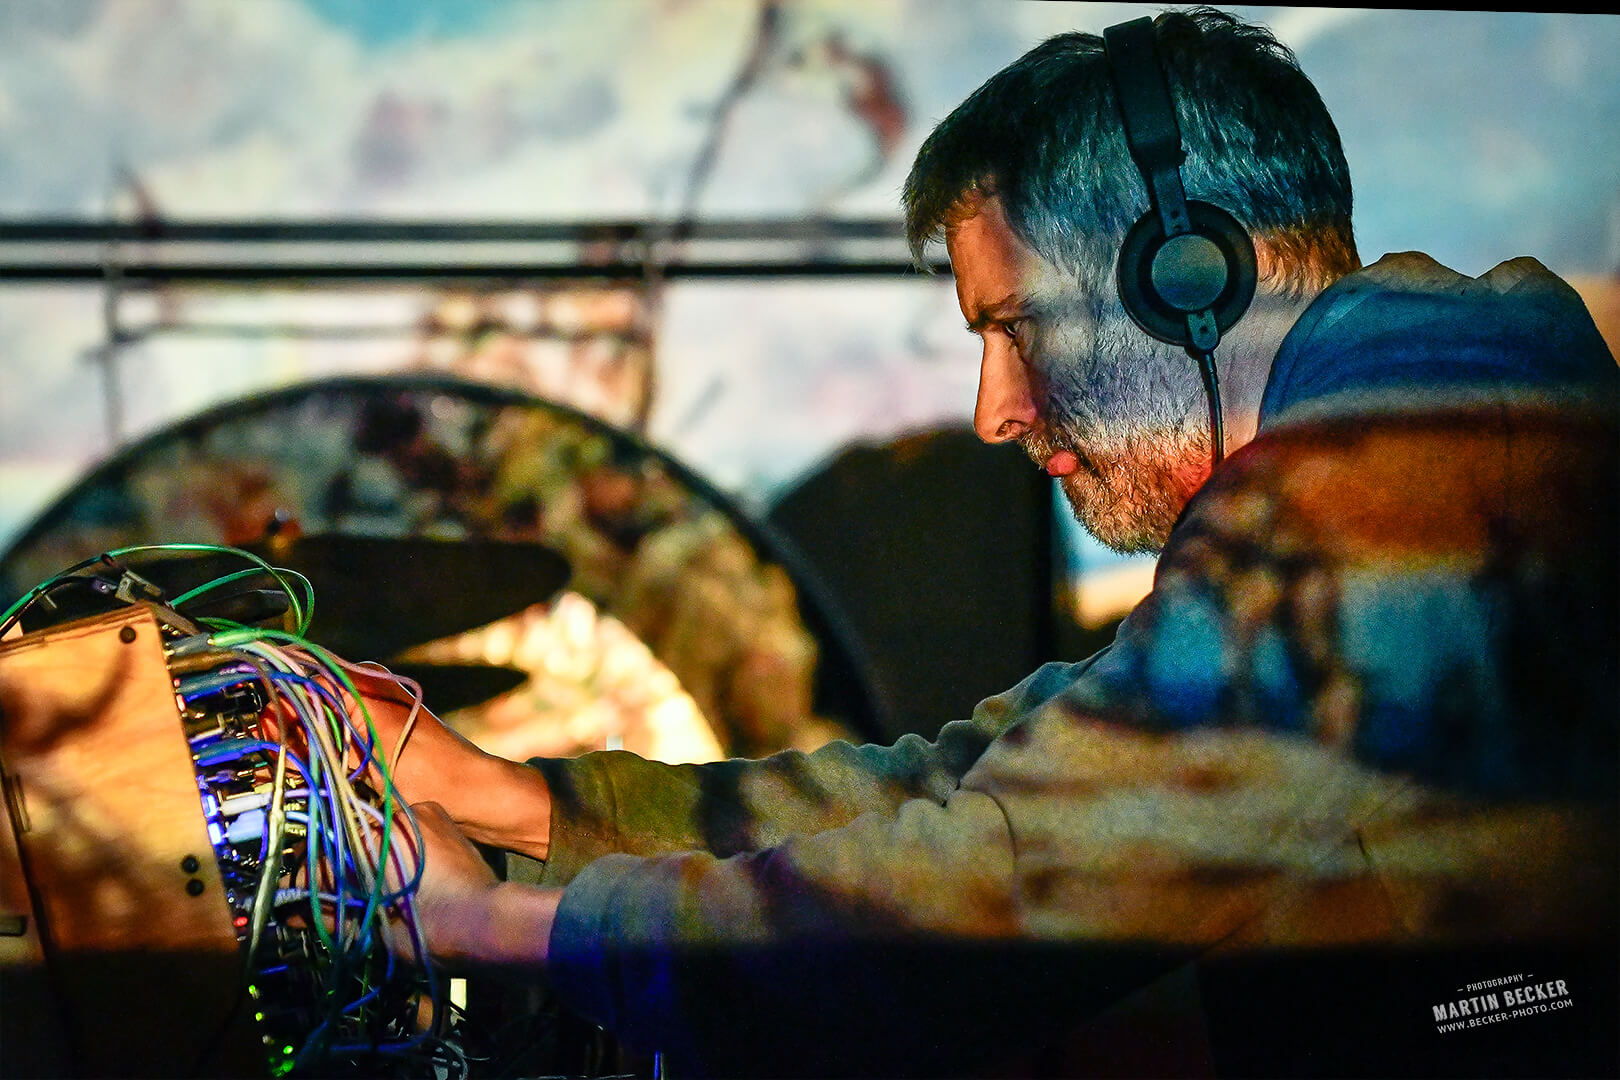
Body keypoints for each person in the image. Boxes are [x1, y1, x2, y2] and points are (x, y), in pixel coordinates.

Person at [358, 9, 1619, 1076]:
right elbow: (973, 788)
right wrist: (514, 799)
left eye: (1016, 327)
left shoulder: (1428, 454)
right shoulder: (1401, 456)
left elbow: (999, 888)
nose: (995, 411)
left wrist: (492, 929)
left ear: (1183, 277)